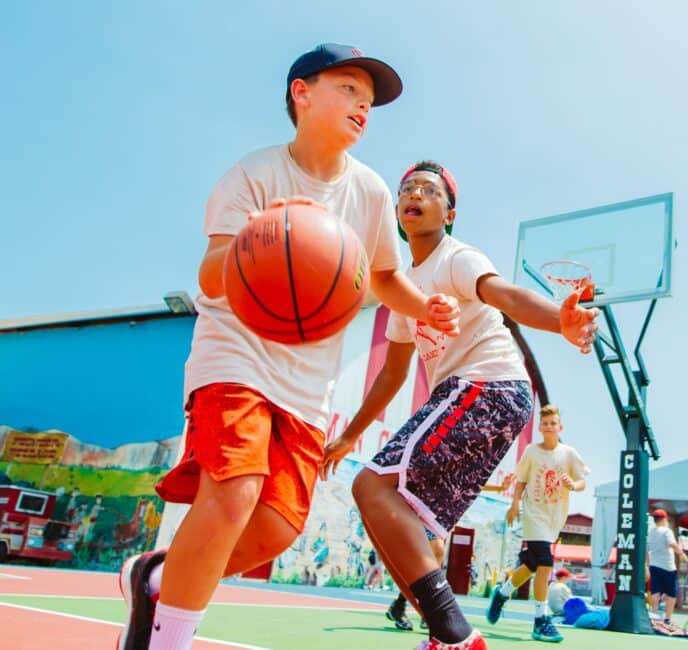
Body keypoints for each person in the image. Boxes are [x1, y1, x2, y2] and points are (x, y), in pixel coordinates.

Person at [116, 44, 462, 650]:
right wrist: (262, 236)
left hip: (307, 378)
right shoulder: (254, 175)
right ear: (301, 92)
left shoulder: (371, 193)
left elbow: (382, 277)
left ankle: (159, 577)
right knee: (235, 490)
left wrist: (422, 305)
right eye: (349, 89)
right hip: (237, 353)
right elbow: (208, 274)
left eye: (369, 99)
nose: (363, 105)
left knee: (275, 527)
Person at [323, 160, 598, 649]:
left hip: (488, 386)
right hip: (484, 398)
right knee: (401, 520)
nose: (416, 194)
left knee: (372, 485)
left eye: (430, 190)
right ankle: (442, 633)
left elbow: (505, 296)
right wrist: (348, 437)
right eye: (408, 187)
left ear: (449, 213)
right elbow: (393, 373)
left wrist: (561, 320)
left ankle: (456, 635)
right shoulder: (403, 285)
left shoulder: (456, 257)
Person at [486, 405, 591, 643]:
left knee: (532, 564)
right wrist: (514, 505)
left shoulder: (568, 453)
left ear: (560, 427)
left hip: (555, 515)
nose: (549, 427)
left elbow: (582, 480)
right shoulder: (532, 452)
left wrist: (573, 485)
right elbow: (521, 481)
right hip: (534, 514)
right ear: (540, 427)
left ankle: (501, 594)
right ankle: (540, 620)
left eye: (553, 423)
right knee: (545, 563)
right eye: (545, 423)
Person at [381, 475, 515, 632]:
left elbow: (471, 481)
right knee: (434, 554)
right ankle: (423, 611)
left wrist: (500, 488)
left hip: (438, 516)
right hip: (423, 508)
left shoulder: (461, 469)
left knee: (430, 562)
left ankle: (403, 606)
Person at [647, 509, 688, 625]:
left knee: (655, 590)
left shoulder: (651, 531)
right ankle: (667, 618)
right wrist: (682, 554)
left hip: (654, 564)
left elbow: (648, 548)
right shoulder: (667, 531)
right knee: (671, 592)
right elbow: (672, 544)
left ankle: (654, 614)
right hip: (667, 566)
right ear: (664, 519)